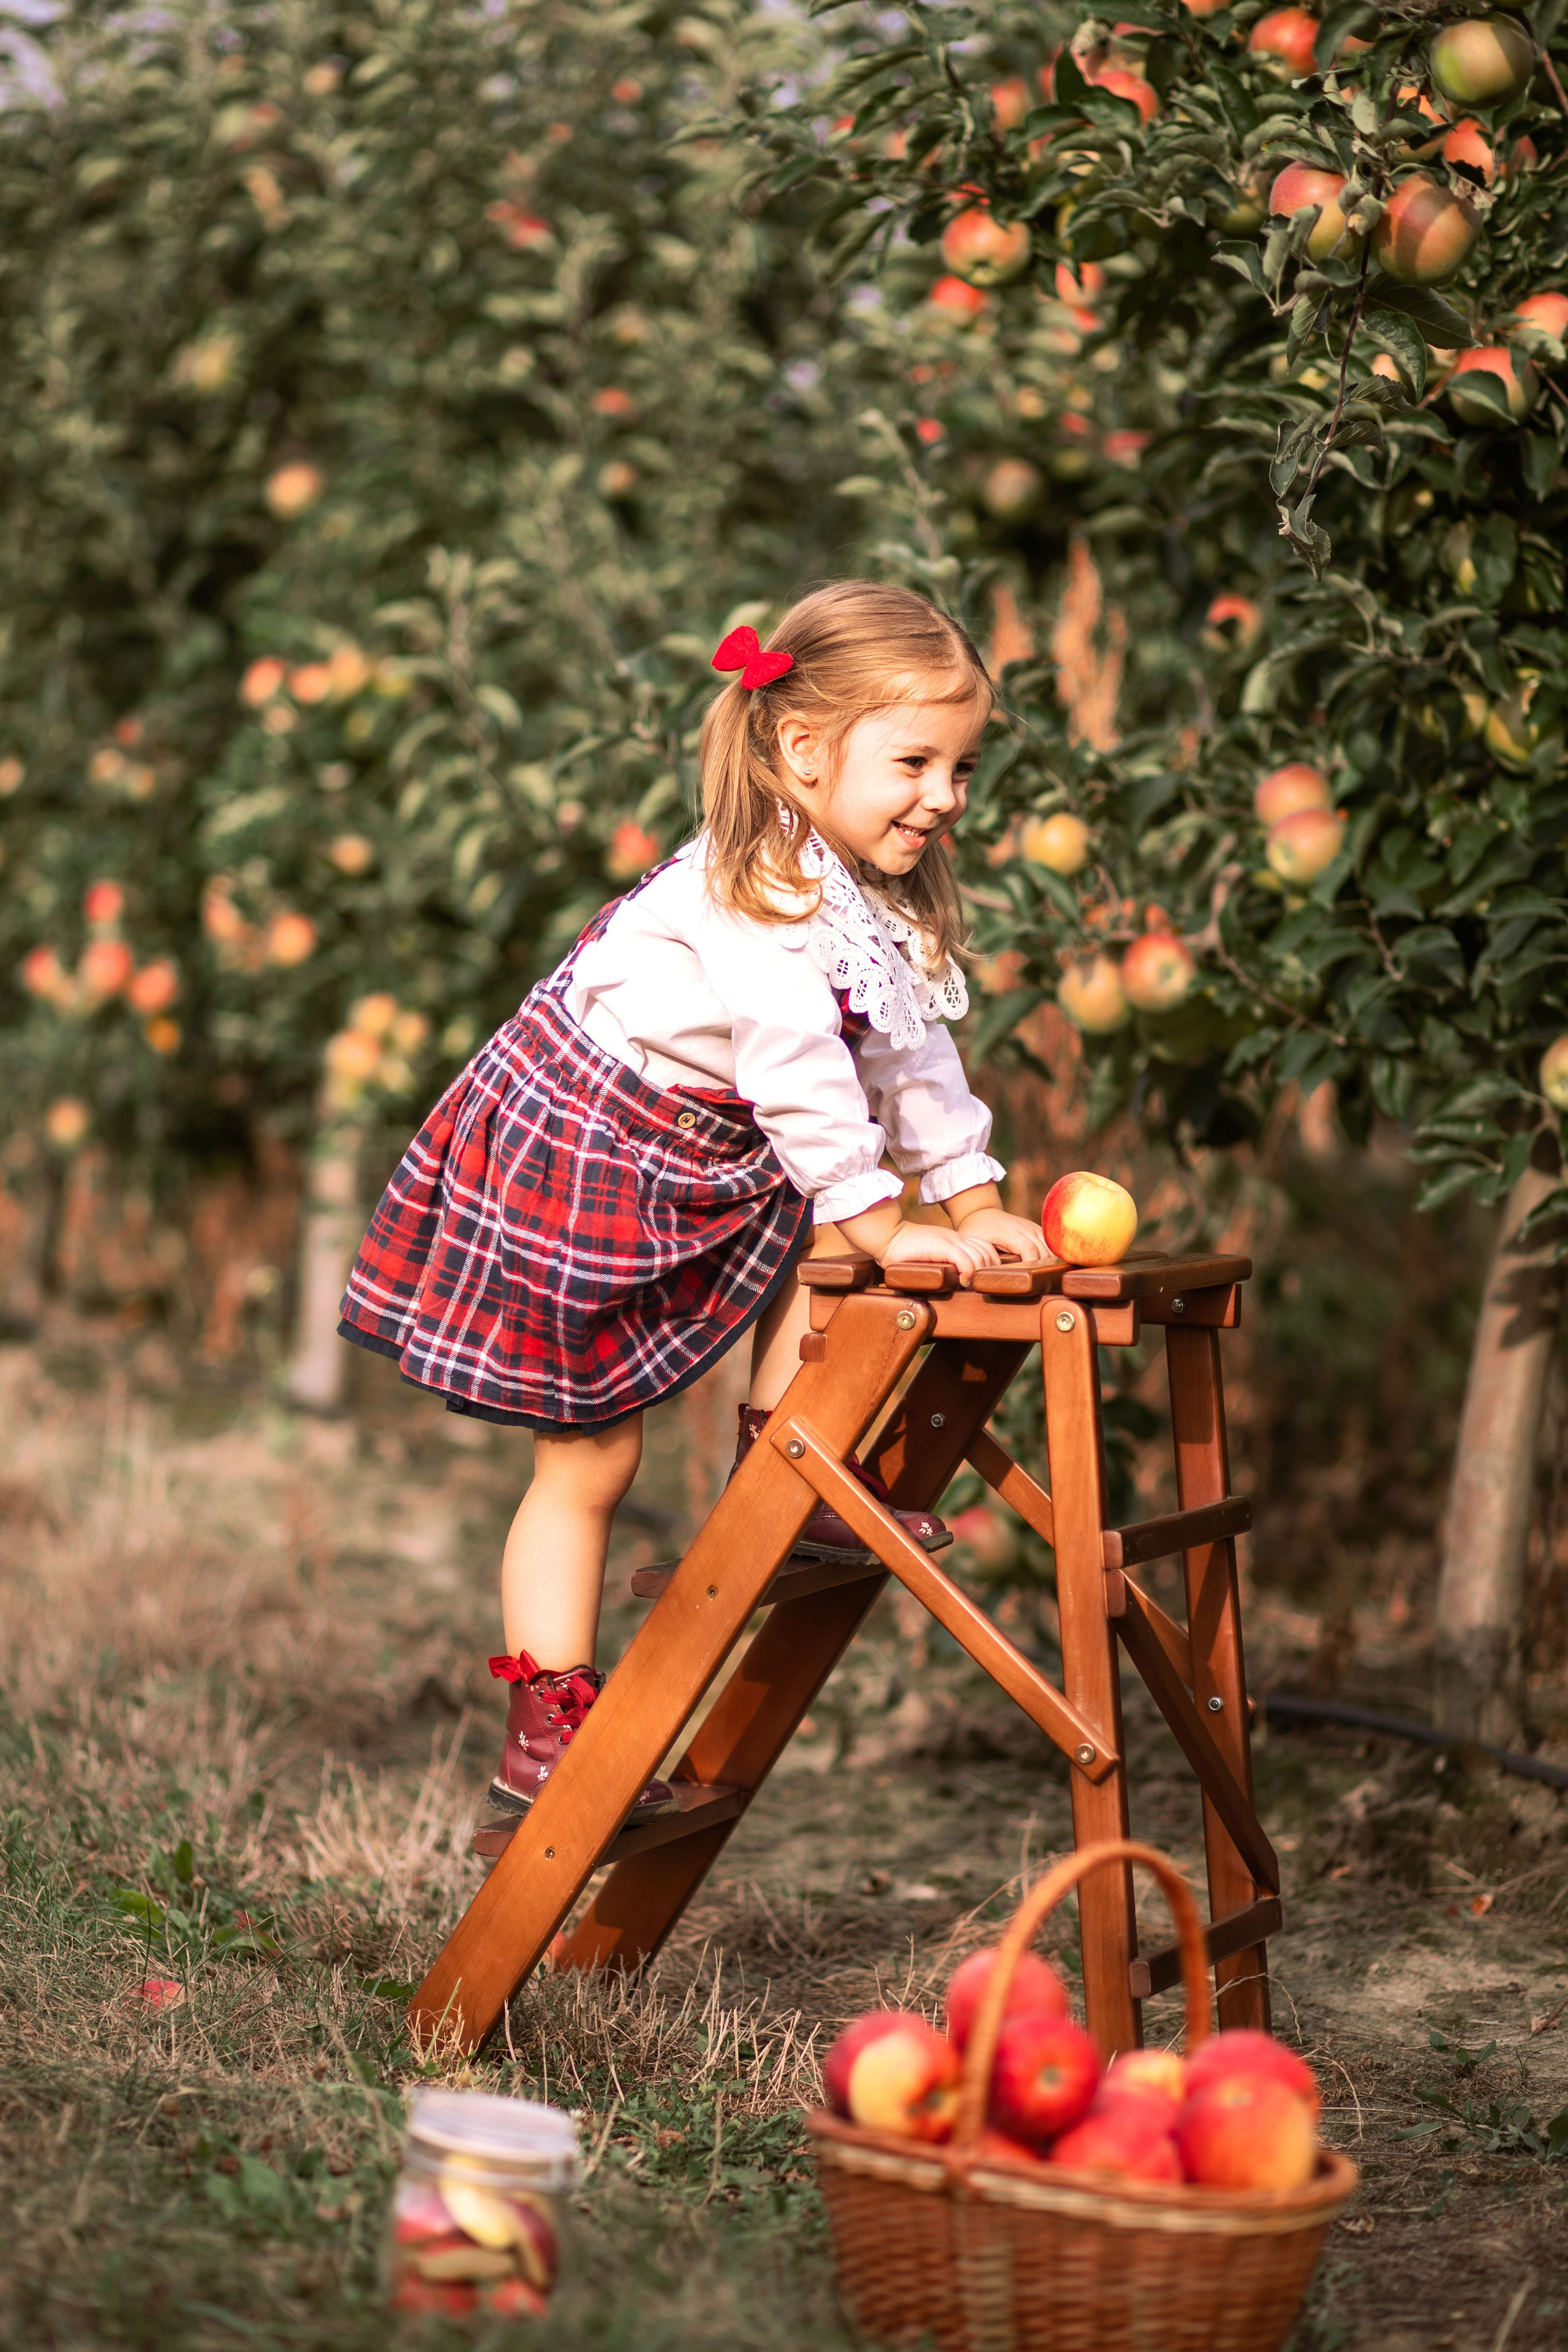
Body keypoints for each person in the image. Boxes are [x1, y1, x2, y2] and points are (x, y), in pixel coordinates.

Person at [337, 580, 1047, 1822]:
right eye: (917, 761)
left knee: (843, 1221)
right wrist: (888, 1222)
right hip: (588, 1142)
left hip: (708, 1152)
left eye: (964, 766)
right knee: (590, 1453)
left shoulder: (865, 898)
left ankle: (791, 1459)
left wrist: (973, 1195)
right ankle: (547, 1721)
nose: (946, 795)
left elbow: (909, 1060)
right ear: (803, 750)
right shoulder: (757, 888)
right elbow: (801, 1076)